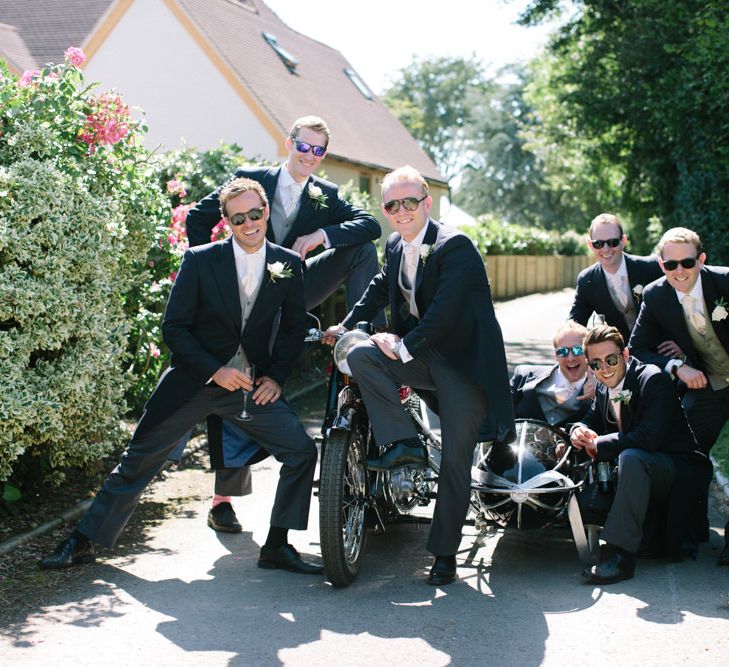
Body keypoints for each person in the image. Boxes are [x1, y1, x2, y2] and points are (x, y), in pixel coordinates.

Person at [39, 178, 322, 576]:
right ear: (226, 222)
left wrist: (275, 376)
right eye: (238, 217)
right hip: (193, 383)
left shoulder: (288, 264)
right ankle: (81, 542)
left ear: (266, 212)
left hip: (247, 389)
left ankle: (276, 545)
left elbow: (294, 327)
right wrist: (215, 370)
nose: (249, 223)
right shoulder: (201, 260)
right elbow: (174, 328)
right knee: (138, 461)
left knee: (301, 452)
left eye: (255, 214)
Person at [186, 115, 383, 532]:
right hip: (242, 297)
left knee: (361, 248)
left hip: (289, 286)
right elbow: (199, 218)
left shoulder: (325, 196)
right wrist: (210, 273)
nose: (309, 156)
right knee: (237, 387)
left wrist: (322, 238)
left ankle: (361, 329)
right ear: (288, 142)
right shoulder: (250, 179)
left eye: (318, 150)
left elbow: (371, 224)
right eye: (303, 146)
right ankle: (223, 501)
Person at [324, 166, 515, 586]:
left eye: (409, 202)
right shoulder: (394, 243)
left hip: (463, 367)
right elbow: (379, 285)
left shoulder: (455, 246)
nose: (401, 210)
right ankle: (404, 442)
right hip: (423, 356)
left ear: (427, 203)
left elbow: (447, 313)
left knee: (454, 458)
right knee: (358, 352)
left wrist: (404, 346)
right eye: (392, 204)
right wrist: (347, 325)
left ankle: (444, 553)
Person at [570, 325, 708, 584]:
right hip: (643, 470)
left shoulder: (652, 378)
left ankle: (619, 557)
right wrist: (579, 431)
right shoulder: (603, 384)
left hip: (677, 470)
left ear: (626, 353)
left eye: (611, 360)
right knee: (625, 459)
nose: (605, 368)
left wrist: (599, 444)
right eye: (596, 364)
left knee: (631, 457)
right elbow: (592, 418)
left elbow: (648, 437)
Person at [629, 227, 729, 565]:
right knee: (687, 451)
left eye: (687, 262)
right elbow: (637, 348)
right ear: (661, 265)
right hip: (706, 383)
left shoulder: (726, 282)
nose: (680, 271)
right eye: (671, 265)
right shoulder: (656, 295)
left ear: (701, 259)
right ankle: (688, 532)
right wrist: (676, 367)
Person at [570, 213, 668, 346]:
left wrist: (679, 342)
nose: (606, 249)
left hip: (661, 348)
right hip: (620, 356)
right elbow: (575, 324)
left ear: (623, 241)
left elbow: (679, 303)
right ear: (590, 244)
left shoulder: (652, 267)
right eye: (598, 243)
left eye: (612, 242)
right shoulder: (587, 280)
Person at [511, 320, 595, 428]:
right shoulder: (523, 375)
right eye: (562, 352)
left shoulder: (601, 387)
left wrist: (598, 394)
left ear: (588, 353)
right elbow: (501, 413)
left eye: (577, 350)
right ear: (555, 355)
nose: (570, 358)